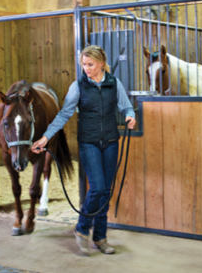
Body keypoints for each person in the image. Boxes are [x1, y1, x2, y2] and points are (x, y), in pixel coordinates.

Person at [31, 45, 136, 255]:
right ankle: (81, 229)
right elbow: (63, 114)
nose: (86, 69)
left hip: (111, 142)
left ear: (102, 63)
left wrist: (130, 114)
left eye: (90, 64)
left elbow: (126, 106)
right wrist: (45, 137)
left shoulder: (114, 84)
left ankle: (100, 237)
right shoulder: (78, 86)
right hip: (89, 143)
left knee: (105, 191)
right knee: (97, 188)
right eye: (83, 65)